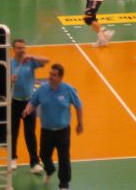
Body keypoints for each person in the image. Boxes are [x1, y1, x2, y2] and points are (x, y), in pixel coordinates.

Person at [22, 64, 83, 190]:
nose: (50, 77)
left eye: (54, 75)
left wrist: (80, 123)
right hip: (46, 131)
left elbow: (78, 106)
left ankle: (64, 184)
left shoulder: (68, 90)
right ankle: (50, 169)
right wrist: (27, 110)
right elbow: (33, 103)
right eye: (50, 74)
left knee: (64, 158)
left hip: (63, 131)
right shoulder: (42, 90)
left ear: (60, 77)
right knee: (43, 155)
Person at [10, 39, 48, 174]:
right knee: (13, 132)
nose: (22, 50)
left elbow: (46, 60)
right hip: (14, 102)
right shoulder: (9, 63)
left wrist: (32, 57)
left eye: (23, 48)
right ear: (14, 49)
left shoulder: (30, 62)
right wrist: (10, 80)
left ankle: (35, 163)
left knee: (30, 133)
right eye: (19, 48)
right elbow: (2, 82)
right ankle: (12, 158)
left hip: (29, 104)